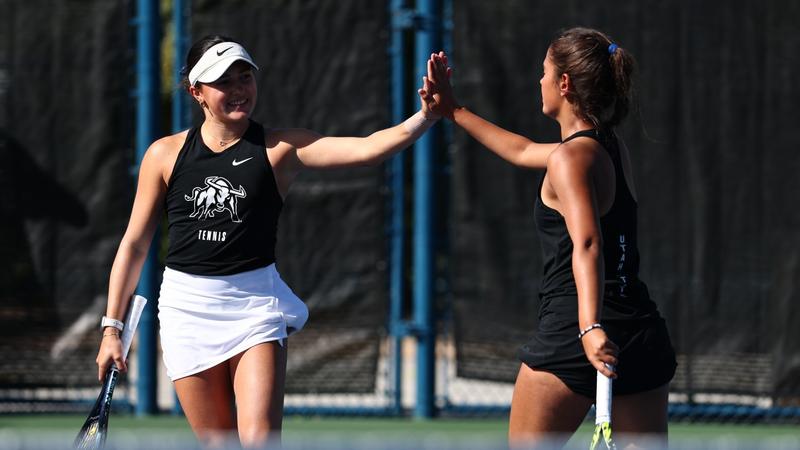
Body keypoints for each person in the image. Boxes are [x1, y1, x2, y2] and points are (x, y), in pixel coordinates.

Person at [95, 34, 440, 448]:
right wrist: (111, 329)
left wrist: (425, 116)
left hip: (255, 308)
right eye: (224, 81)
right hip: (186, 311)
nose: (239, 89)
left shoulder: (280, 148)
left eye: (245, 77)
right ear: (196, 91)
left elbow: (367, 149)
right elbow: (134, 244)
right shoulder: (163, 155)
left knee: (260, 442)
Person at [425, 27, 676, 448]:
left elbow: (588, 243)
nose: (538, 81)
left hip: (573, 333)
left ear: (564, 83)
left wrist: (589, 326)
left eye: (543, 72)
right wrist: (452, 110)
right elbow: (522, 151)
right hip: (639, 332)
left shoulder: (571, 158)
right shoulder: (606, 147)